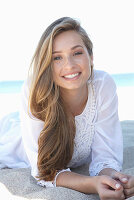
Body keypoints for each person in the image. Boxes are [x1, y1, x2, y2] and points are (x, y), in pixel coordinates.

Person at [0, 17, 134, 199]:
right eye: (57, 57)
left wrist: (114, 179)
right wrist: (93, 184)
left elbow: (105, 156)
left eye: (77, 53)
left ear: (91, 56)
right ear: (47, 64)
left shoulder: (103, 84)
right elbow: (45, 172)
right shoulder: (34, 90)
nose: (69, 65)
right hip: (18, 142)